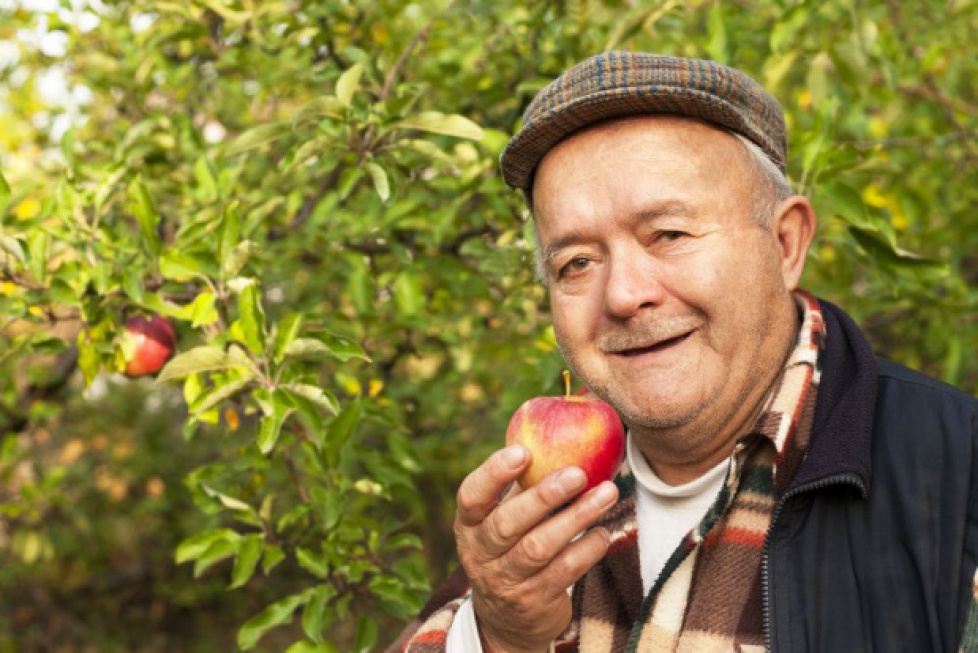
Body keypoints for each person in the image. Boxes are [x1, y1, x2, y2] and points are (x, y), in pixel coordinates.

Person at [389, 52, 978, 652]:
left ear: (785, 244)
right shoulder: (544, 510)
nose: (623, 295)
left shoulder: (957, 477)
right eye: (577, 263)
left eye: (669, 234)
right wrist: (502, 635)